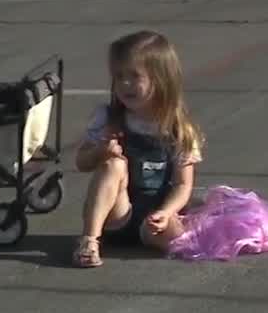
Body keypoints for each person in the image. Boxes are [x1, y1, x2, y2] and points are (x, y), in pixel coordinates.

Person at [73, 31, 204, 268]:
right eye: (119, 76)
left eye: (134, 76)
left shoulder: (177, 129)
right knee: (115, 164)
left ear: (161, 79)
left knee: (184, 239)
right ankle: (89, 240)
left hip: (154, 218)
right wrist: (100, 151)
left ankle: (163, 230)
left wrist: (166, 212)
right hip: (118, 215)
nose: (124, 84)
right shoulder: (110, 119)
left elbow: (183, 184)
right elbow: (81, 162)